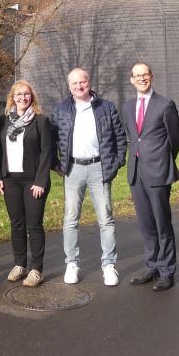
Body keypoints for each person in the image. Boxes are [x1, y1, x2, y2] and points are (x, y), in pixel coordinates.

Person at [50, 68, 126, 286]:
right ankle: (71, 263)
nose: (79, 86)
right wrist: (57, 164)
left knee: (106, 219)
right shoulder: (62, 109)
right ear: (69, 86)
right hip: (72, 169)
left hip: (99, 168)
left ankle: (109, 265)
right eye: (74, 84)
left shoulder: (105, 107)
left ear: (89, 82)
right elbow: (50, 139)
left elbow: (119, 136)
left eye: (82, 82)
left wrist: (117, 161)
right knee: (71, 219)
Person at [122, 62, 179, 291]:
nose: (141, 79)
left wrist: (163, 161)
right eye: (137, 76)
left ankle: (167, 272)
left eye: (145, 75)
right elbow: (133, 137)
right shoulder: (127, 107)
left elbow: (174, 139)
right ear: (132, 79)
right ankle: (152, 266)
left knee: (162, 223)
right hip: (136, 172)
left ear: (151, 77)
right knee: (146, 224)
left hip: (158, 172)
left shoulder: (166, 104)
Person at [0, 80, 53, 287]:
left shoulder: (41, 121)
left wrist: (41, 180)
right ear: (13, 97)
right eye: (19, 94)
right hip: (10, 180)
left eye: (26, 94)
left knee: (33, 225)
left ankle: (36, 269)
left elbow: (47, 153)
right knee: (16, 224)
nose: (22, 98)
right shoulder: (4, 122)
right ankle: (20, 264)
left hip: (33, 181)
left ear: (32, 97)